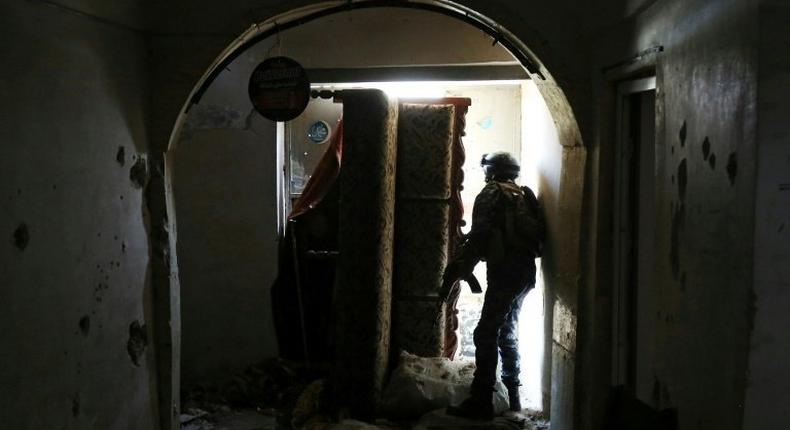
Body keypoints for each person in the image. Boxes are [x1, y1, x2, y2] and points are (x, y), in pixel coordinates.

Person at [439, 151, 545, 420]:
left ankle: (481, 400)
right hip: (524, 275)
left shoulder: (491, 193)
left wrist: (458, 268)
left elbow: (480, 237)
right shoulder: (521, 193)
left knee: (485, 332)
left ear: (490, 170)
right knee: (506, 331)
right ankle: (515, 396)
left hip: (505, 273)